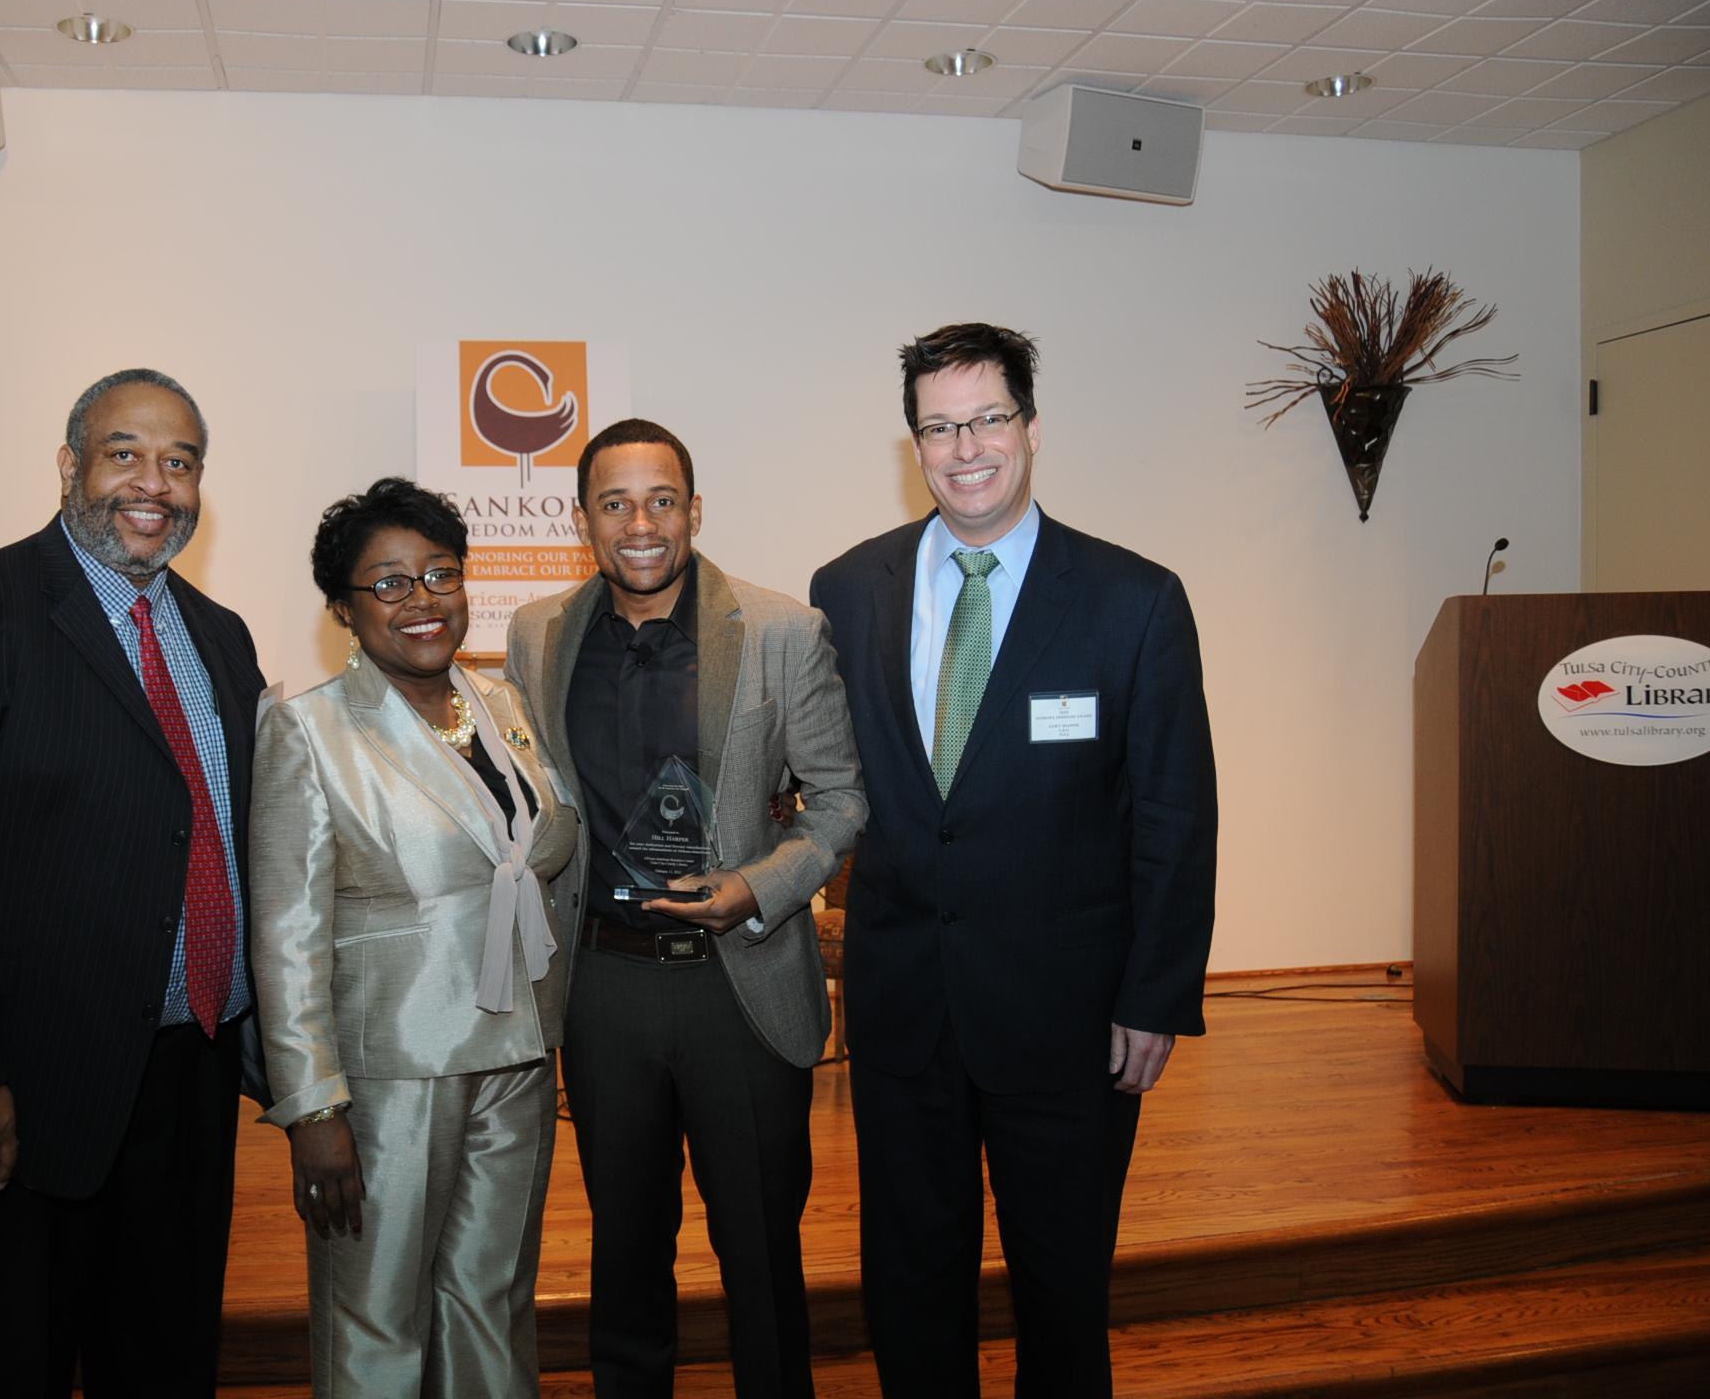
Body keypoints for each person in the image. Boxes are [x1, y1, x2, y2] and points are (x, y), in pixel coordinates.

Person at [0, 368, 269, 1397]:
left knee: (166, 1366)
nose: (153, 481)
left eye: (180, 460)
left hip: (187, 1077)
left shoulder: (220, 634)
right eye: (125, 452)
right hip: (21, 1097)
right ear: (70, 465)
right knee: (23, 1368)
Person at [809, 323, 1218, 1398]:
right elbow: (823, 779)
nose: (965, 447)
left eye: (987, 417)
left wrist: (1155, 994)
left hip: (1070, 1016)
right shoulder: (845, 591)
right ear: (914, 445)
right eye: (938, 426)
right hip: (903, 1009)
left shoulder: (1133, 599)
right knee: (908, 1278)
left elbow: (1174, 812)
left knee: (1061, 1283)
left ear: (1031, 427)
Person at [504, 418, 866, 1399]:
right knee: (625, 1252)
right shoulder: (535, 635)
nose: (640, 523)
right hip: (603, 988)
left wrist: (757, 885)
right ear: (582, 517)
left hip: (737, 987)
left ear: (693, 509)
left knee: (757, 1254)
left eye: (660, 499)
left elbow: (838, 805)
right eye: (614, 502)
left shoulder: (782, 630)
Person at [249, 477, 581, 1398]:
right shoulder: (308, 730)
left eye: (439, 573)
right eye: (388, 584)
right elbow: (285, 934)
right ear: (343, 610)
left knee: (492, 1297)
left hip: (515, 1054)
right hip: (388, 1077)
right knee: (377, 1314)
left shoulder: (501, 706)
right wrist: (313, 1108)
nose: (421, 599)